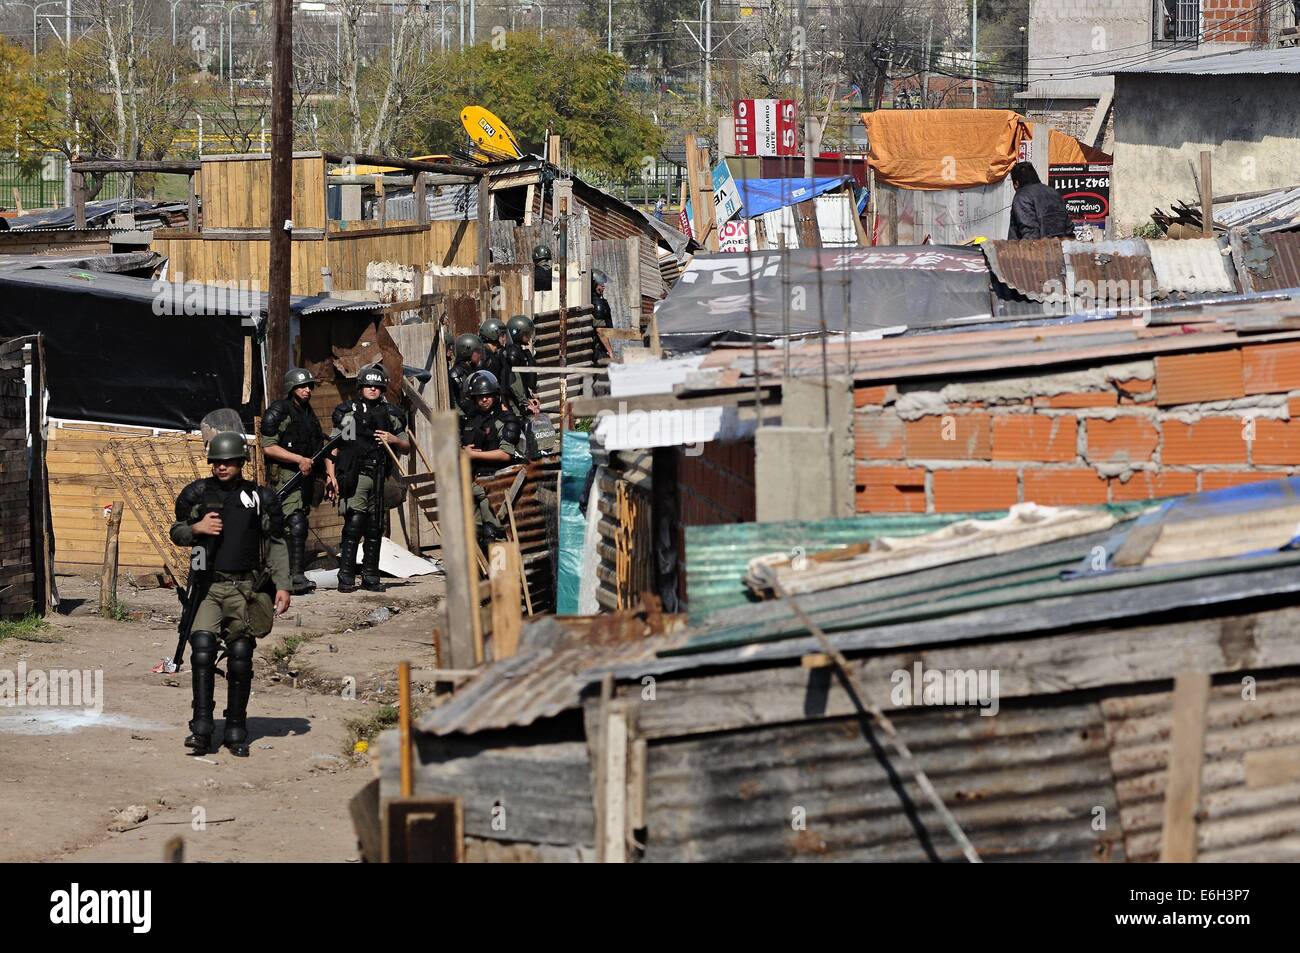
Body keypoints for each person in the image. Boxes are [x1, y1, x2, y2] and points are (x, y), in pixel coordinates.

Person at [170, 431, 290, 757]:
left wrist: (283, 584)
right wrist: (196, 529)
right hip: (208, 587)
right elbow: (177, 531)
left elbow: (277, 542)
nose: (222, 468)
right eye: (217, 463)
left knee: (240, 656)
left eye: (228, 462)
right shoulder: (200, 495)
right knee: (203, 649)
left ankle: (236, 727)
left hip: (245, 588)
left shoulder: (257, 498)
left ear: (240, 463)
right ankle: (202, 727)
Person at [323, 363, 411, 593]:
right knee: (354, 524)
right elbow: (335, 446)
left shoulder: (390, 414)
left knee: (375, 526)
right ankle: (346, 576)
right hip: (357, 474)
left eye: (376, 386)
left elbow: (407, 445)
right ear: (361, 387)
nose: (372, 389)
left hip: (381, 473)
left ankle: (371, 575)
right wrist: (331, 476)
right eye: (368, 385)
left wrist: (393, 439)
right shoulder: (351, 414)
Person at [260, 367, 324, 595]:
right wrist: (298, 460)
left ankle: (292, 574)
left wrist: (330, 475)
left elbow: (319, 447)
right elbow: (268, 447)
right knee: (295, 524)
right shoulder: (280, 411)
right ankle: (293, 575)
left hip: (305, 476)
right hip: (286, 475)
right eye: (302, 386)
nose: (307, 390)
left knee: (298, 524)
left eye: (309, 386)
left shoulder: (308, 413)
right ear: (291, 388)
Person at [459, 369, 522, 546]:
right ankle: (479, 573)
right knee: (471, 534)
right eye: (479, 397)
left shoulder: (505, 420)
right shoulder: (471, 420)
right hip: (473, 483)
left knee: (493, 533)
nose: (484, 400)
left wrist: (473, 455)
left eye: (487, 396)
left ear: (495, 396)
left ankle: (500, 574)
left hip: (495, 484)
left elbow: (505, 454)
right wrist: (463, 453)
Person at [1008, 162, 1073, 241]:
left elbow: (1031, 235)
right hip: (1060, 249)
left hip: (1037, 251)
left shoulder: (1021, 196)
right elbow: (1069, 230)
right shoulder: (1054, 193)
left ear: (1016, 184)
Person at [448, 333, 484, 418]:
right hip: (463, 418)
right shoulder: (457, 373)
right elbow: (462, 400)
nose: (480, 355)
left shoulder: (470, 369)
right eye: (477, 352)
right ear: (467, 351)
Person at [591, 269, 613, 364]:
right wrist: (610, 351)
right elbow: (600, 331)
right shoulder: (597, 303)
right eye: (601, 284)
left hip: (600, 347)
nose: (603, 286)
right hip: (597, 349)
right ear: (594, 284)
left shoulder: (600, 300)